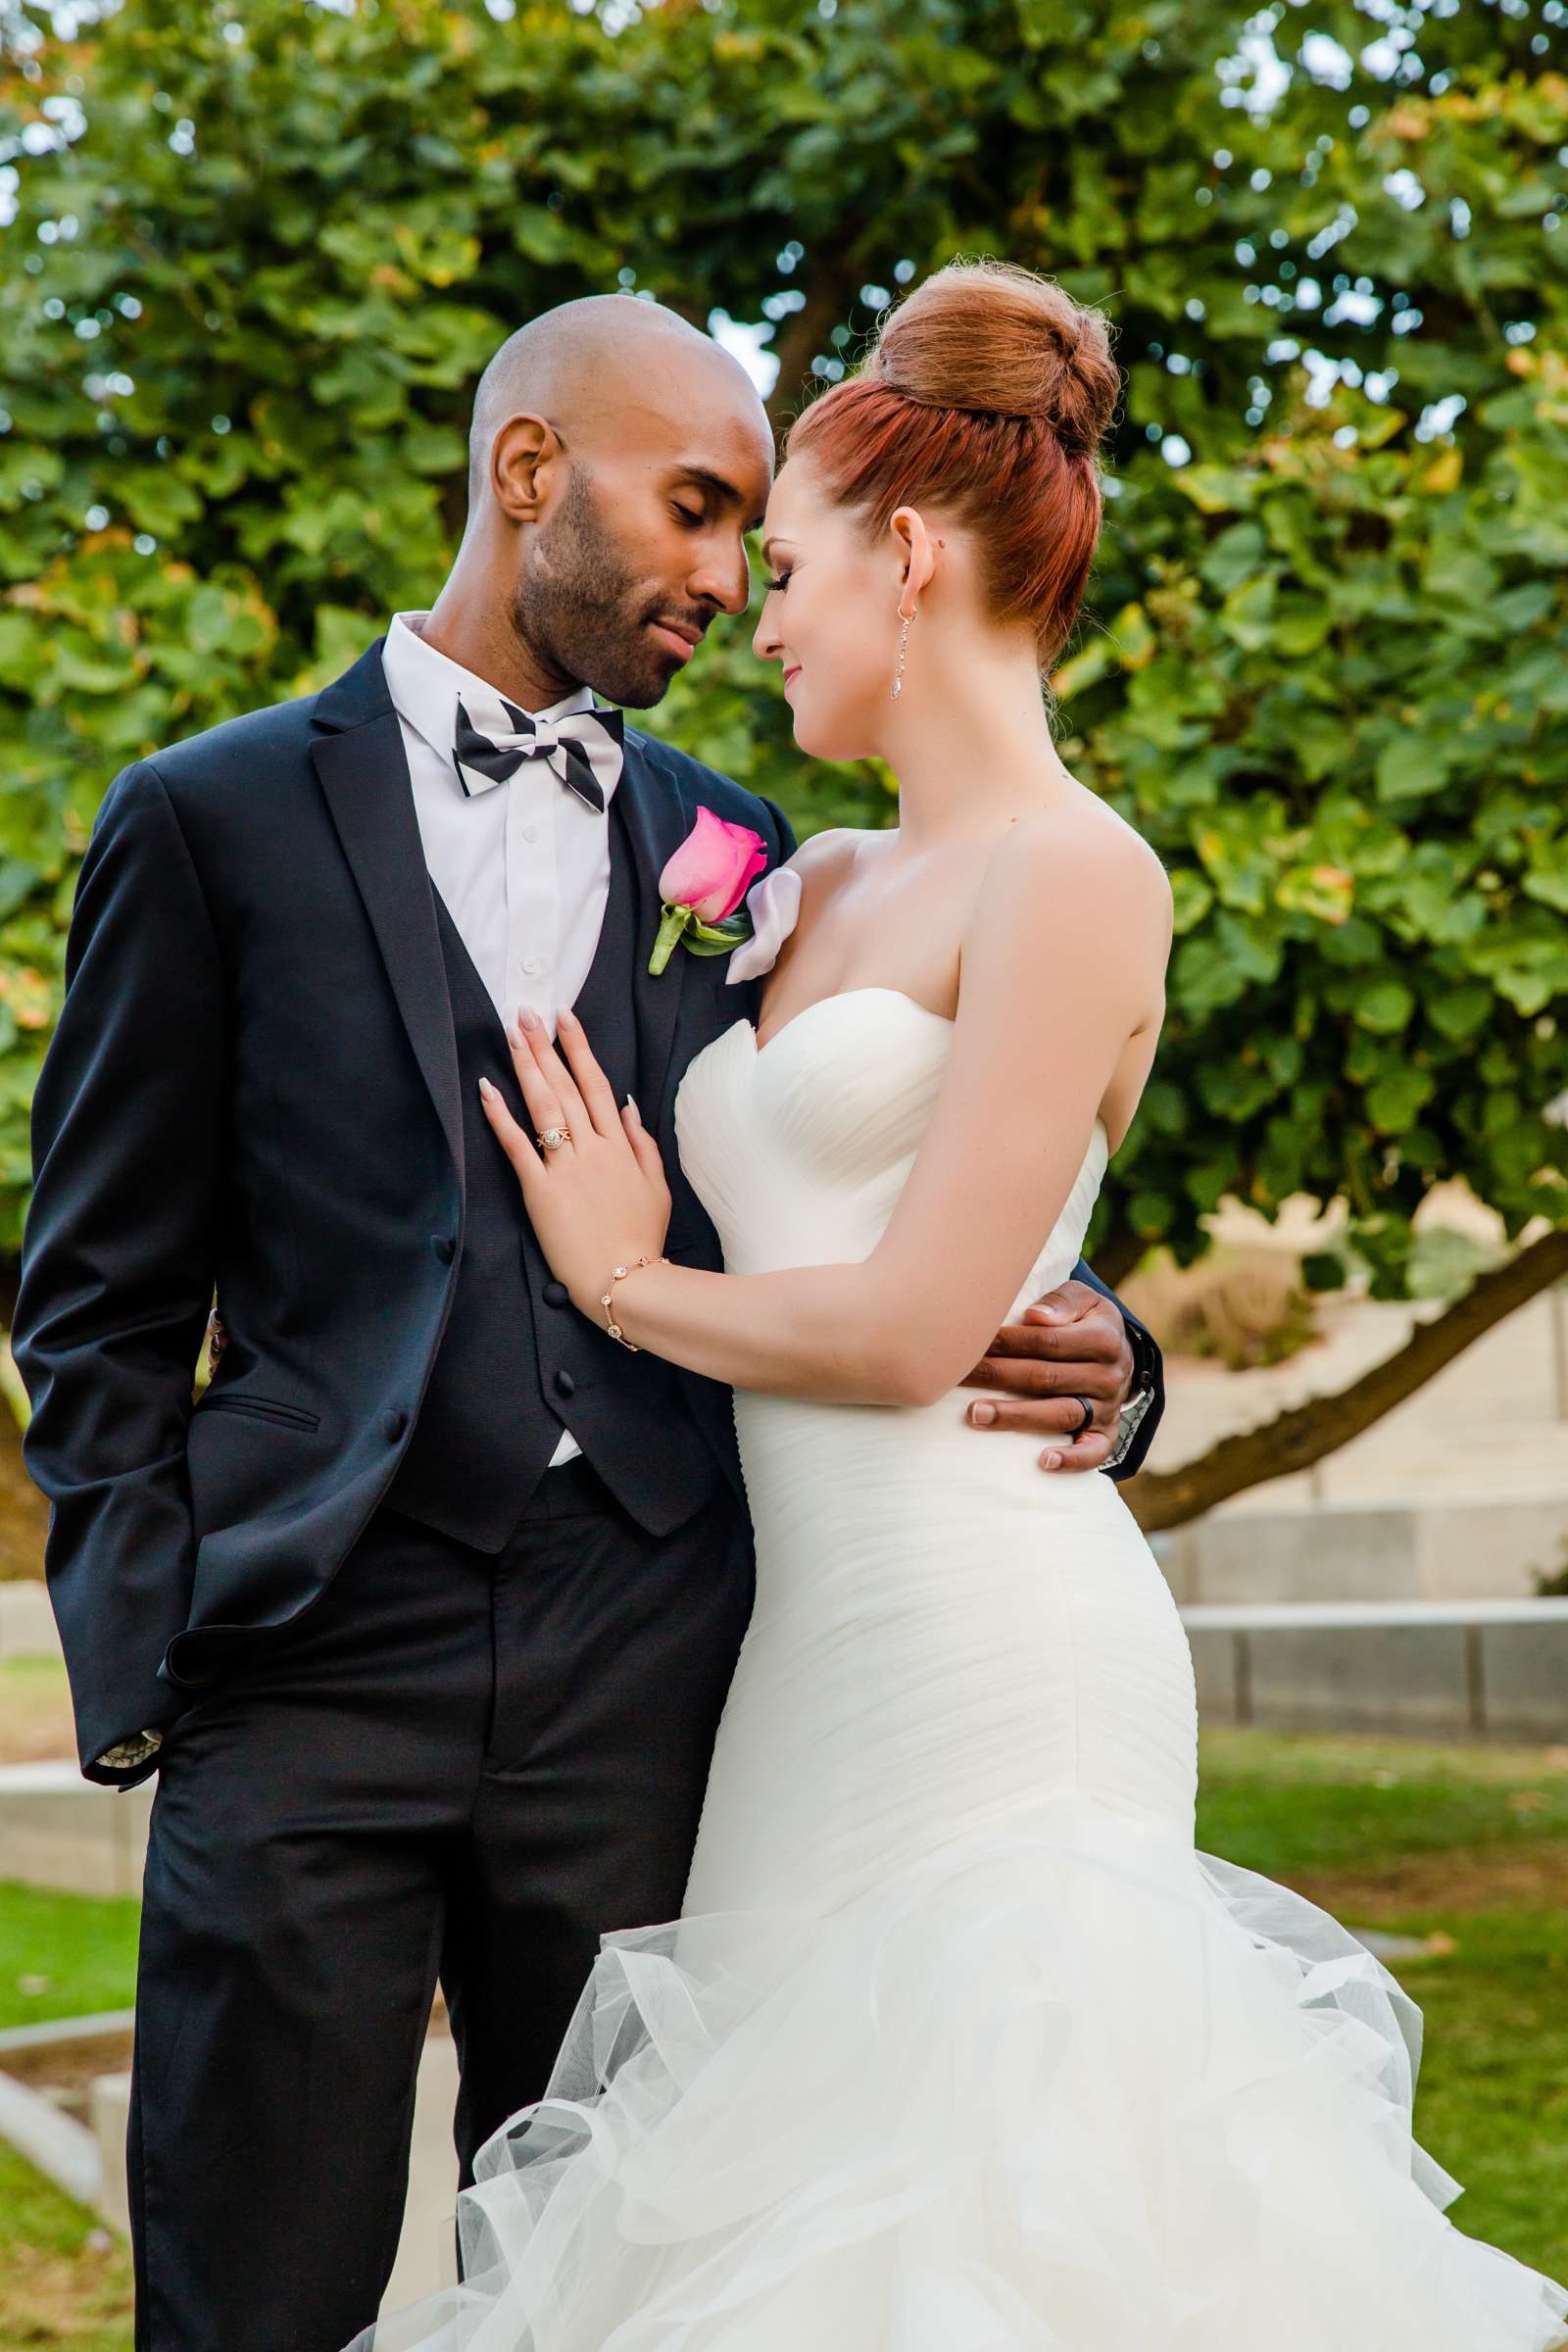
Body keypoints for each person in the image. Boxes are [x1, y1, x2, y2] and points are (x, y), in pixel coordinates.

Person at [360, 264, 1568, 2350]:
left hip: (995, 1651)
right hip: (791, 1664)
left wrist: (627, 1280)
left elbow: (927, 1323)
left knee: (984, 2236)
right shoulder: (800, 876)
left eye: (795, 558)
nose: (756, 608)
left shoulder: (1079, 878)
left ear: (907, 557)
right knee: (761, 2226)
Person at [10, 290, 1159, 2352]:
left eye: (758, 534)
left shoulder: (734, 851)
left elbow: (912, 1158)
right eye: (697, 509)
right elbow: (95, 1295)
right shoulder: (210, 816)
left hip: (657, 1675)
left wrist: (1109, 1340)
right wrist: (146, 1653)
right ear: (527, 471)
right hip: (305, 1668)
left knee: (619, 2283)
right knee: (245, 2283)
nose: (727, 576)